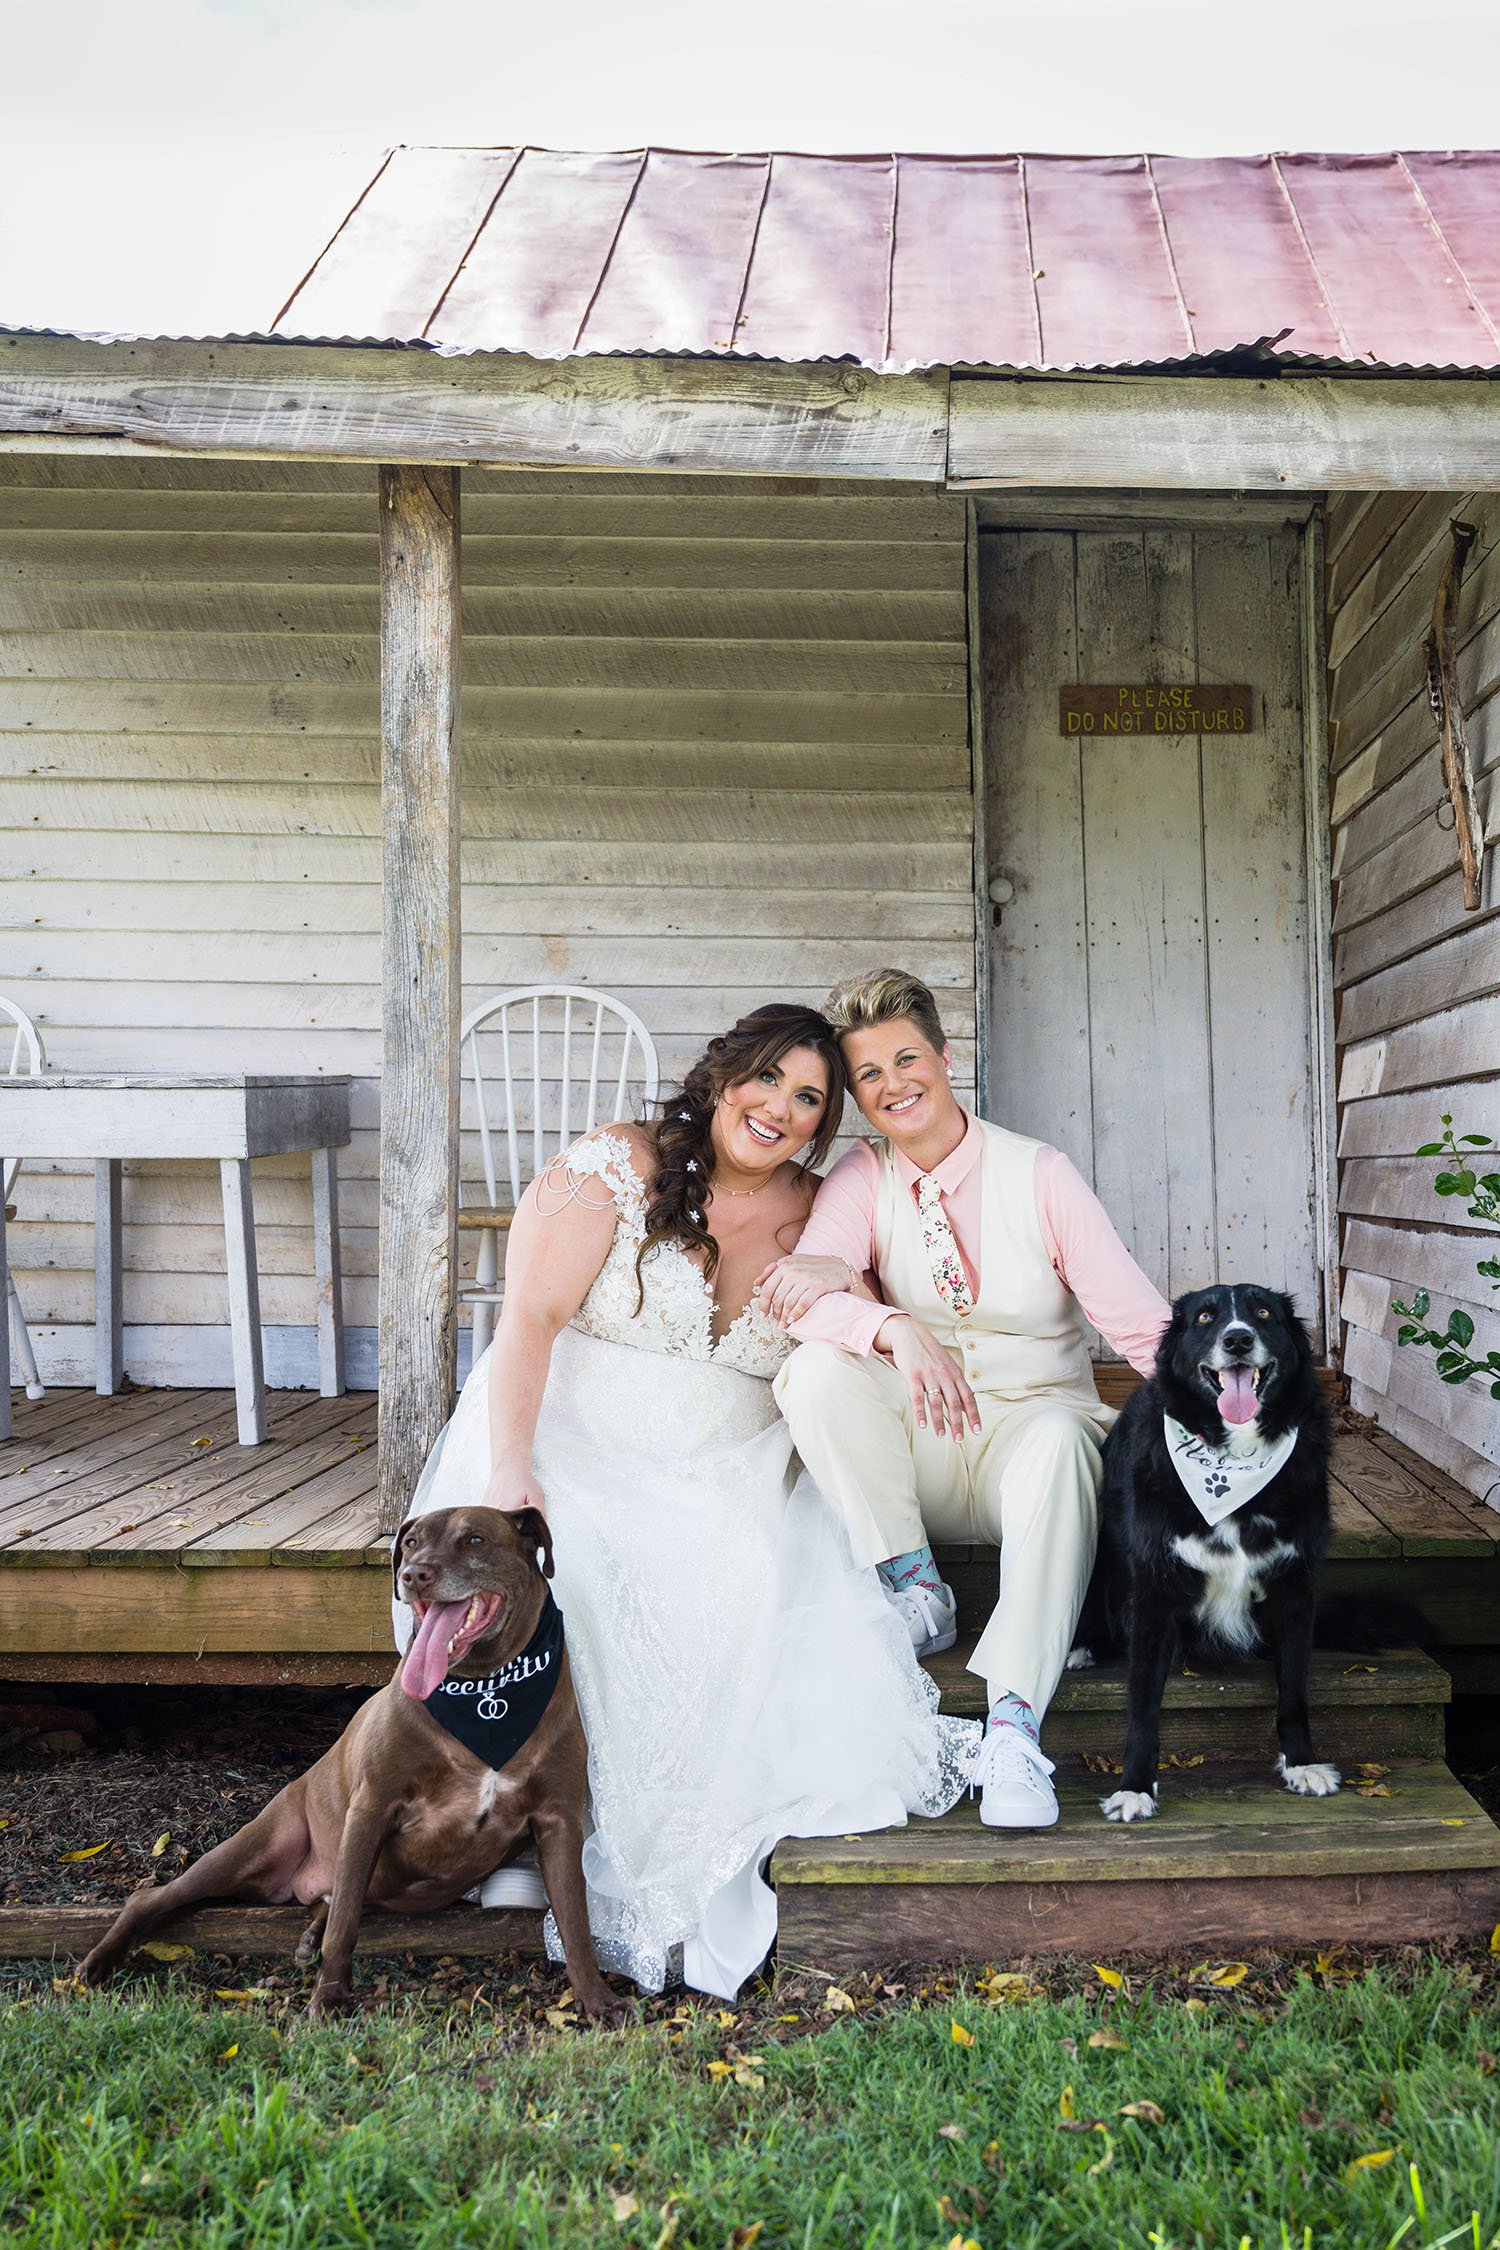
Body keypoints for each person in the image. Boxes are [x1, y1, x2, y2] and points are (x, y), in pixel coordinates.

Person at [394, 1003, 978, 2000]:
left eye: (809, 1099)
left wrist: (866, 1299)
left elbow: (871, 1306)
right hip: (569, 1435)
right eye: (767, 1081)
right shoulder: (623, 1165)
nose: (782, 1111)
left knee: (746, 1575)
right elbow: (529, 1318)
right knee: (581, 1563)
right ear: (722, 1075)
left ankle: (633, 1837)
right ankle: (528, 1818)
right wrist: (510, 1468)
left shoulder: (823, 1207)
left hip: (728, 1460)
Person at [759, 969, 1170, 1833]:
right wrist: (895, 1330)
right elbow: (806, 1300)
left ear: (946, 1059)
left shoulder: (1041, 1174)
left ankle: (1015, 1730)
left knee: (1064, 1439)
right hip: (925, 1448)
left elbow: (1140, 1326)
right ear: (859, 1096)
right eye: (869, 1074)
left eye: (906, 1059)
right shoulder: (861, 1177)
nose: (892, 1084)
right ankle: (919, 1590)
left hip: (1031, 1439)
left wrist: (1228, 1417)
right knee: (816, 1371)